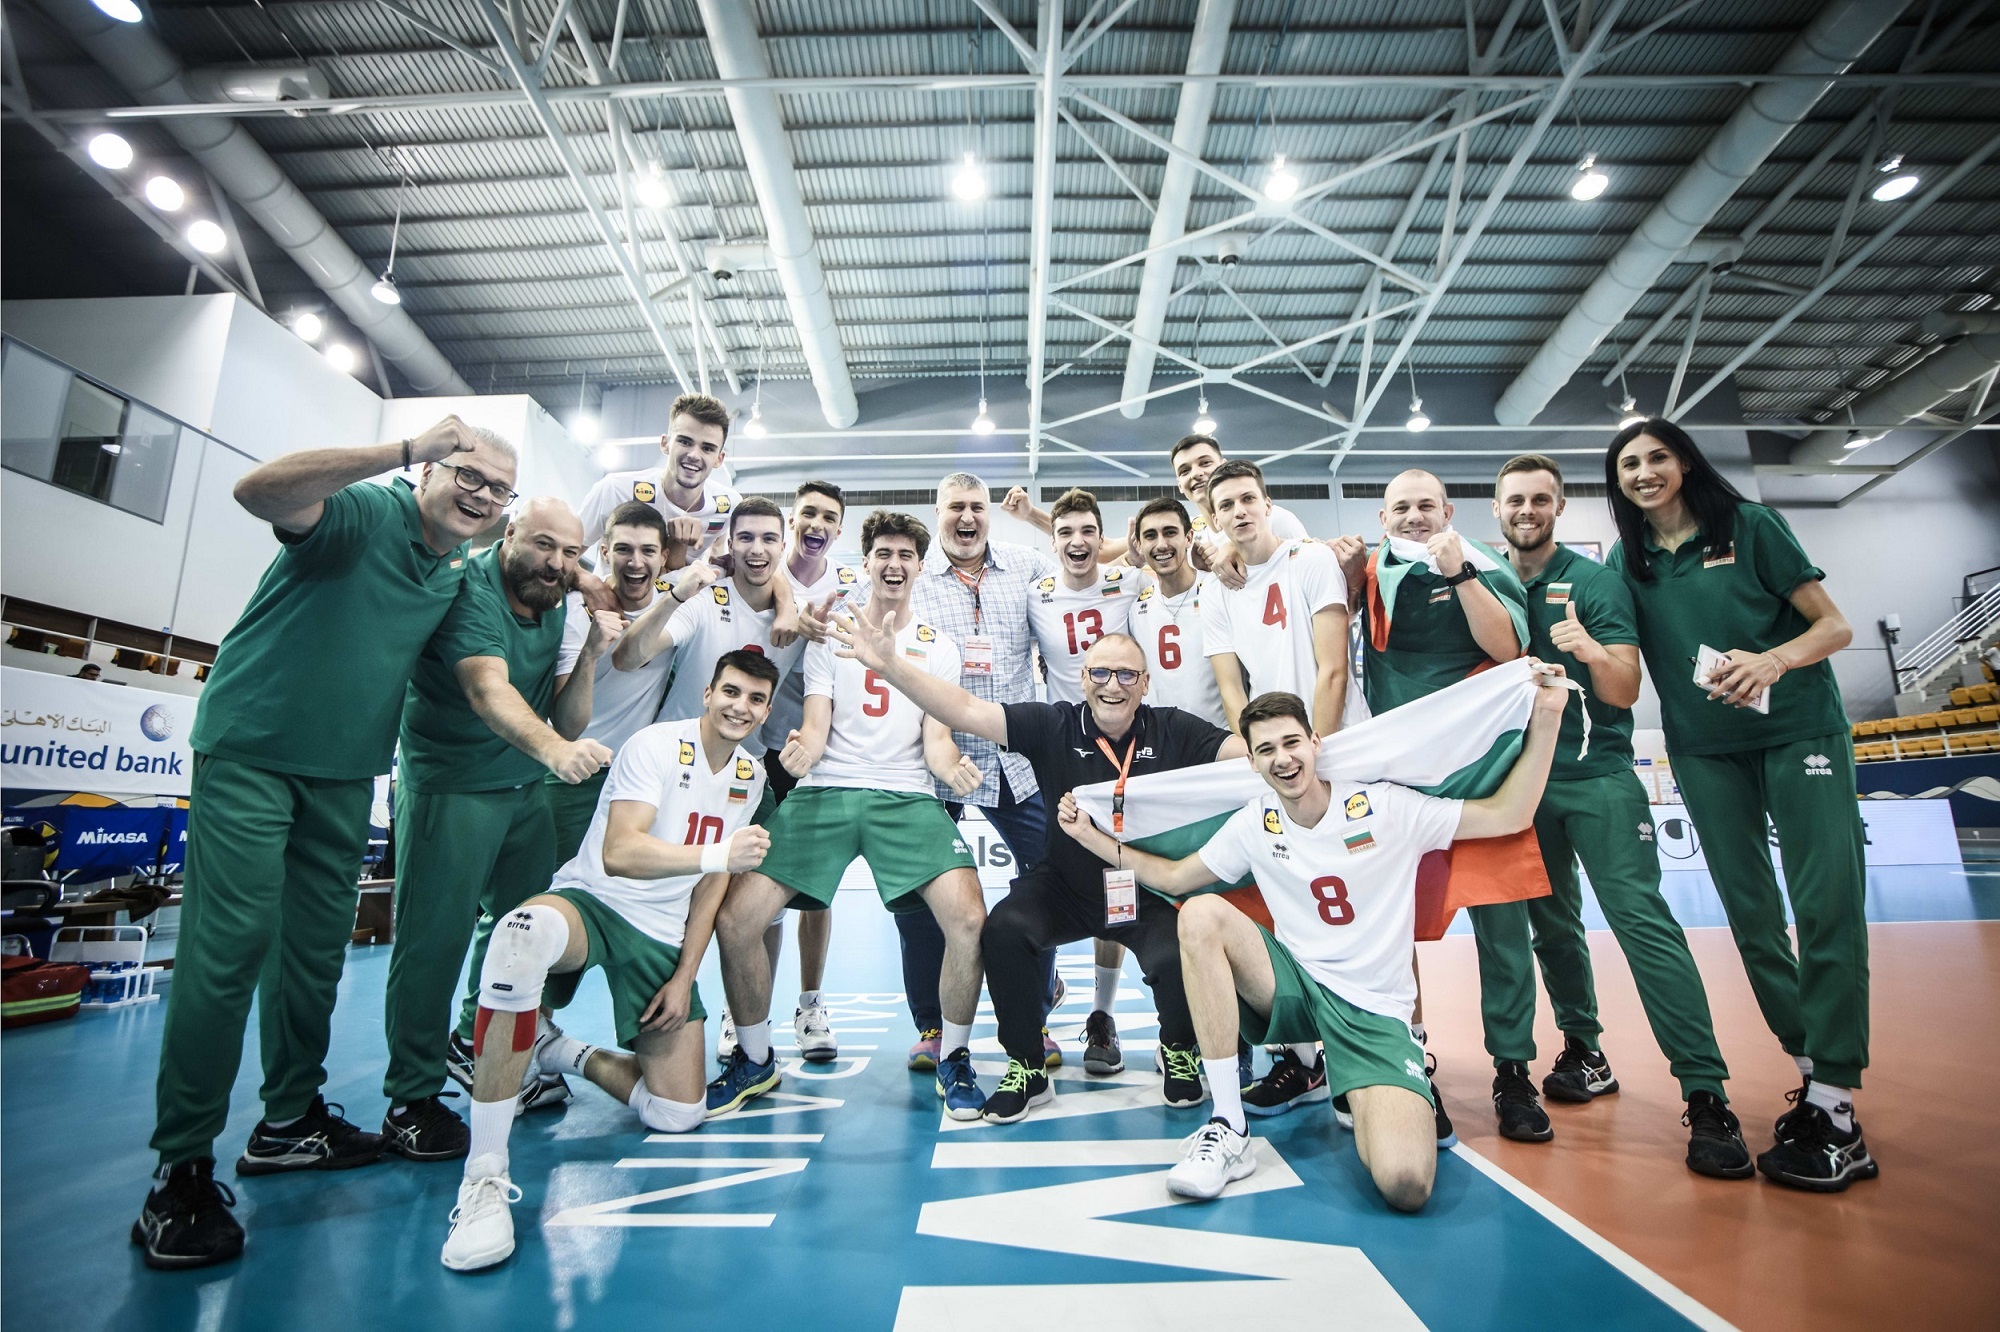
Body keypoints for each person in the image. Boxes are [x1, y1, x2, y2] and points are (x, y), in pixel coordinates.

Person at [134, 416, 505, 1271]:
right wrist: (402, 449)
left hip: (345, 775)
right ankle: (179, 1169)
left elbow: (481, 672)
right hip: (254, 753)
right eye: (467, 475)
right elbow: (258, 489)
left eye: (497, 489)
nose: (480, 496)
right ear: (431, 471)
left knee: (311, 959)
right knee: (226, 955)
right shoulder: (367, 510)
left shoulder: (456, 571)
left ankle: (289, 1122)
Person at [1056, 677, 1568, 1208]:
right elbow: (1177, 878)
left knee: (1405, 1184)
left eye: (1291, 742)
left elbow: (1510, 814)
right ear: (1252, 763)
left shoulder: (1387, 808)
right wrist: (1092, 837)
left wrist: (1548, 715)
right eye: (1266, 750)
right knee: (1202, 914)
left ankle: (1362, 1084)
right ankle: (1230, 1125)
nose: (1283, 759)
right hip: (1295, 986)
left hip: (1372, 1013)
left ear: (1316, 742)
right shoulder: (1256, 821)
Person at [439, 651, 780, 1273]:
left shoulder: (752, 775)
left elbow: (711, 889)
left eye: (756, 700)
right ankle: (483, 1177)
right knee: (518, 936)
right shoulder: (655, 744)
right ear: (708, 692)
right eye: (731, 692)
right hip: (595, 900)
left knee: (678, 1114)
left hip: (660, 935)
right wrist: (718, 855)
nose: (741, 707)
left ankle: (558, 1049)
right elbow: (621, 853)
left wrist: (685, 975)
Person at [839, 606, 1246, 1122]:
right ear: (1083, 678)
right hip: (1066, 885)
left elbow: (1248, 754)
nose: (1112, 685)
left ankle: (1180, 1049)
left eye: (1126, 674)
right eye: (1100, 672)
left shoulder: (1174, 730)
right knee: (1005, 930)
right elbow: (965, 709)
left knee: (1180, 947)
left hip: (1144, 887)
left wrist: (1303, 754)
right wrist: (890, 666)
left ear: (1145, 682)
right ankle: (1028, 1065)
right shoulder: (1053, 724)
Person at [1606, 419, 1873, 1192]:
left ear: (1684, 462)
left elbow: (1835, 624)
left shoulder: (1751, 526)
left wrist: (1773, 659)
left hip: (1799, 732)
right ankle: (1815, 1078)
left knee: (1825, 905)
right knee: (1753, 919)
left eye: (1657, 457)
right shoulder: (1632, 564)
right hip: (1703, 748)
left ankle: (1837, 1110)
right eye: (1629, 464)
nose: (1645, 472)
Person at [1493, 455, 1751, 1178]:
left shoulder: (1597, 580)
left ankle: (1706, 1095)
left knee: (1641, 923)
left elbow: (1626, 686)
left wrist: (1586, 651)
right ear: (1495, 508)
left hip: (1597, 775)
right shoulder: (1486, 579)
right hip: (1521, 785)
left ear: (1560, 506)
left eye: (1541, 499)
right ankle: (1585, 1049)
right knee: (1550, 925)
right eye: (1516, 499)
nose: (1528, 509)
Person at [706, 512, 991, 1120]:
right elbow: (815, 724)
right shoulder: (831, 634)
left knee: (969, 917)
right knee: (736, 920)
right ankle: (754, 1058)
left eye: (905, 555)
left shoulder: (939, 647)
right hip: (828, 791)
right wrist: (803, 751)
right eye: (882, 552)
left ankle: (956, 1056)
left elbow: (935, 739)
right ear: (866, 562)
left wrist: (950, 765)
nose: (893, 564)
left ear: (920, 566)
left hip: (907, 797)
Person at [382, 498, 614, 1161]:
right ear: (509, 534)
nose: (558, 564)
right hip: (452, 788)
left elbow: (569, 721)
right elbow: (488, 690)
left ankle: (482, 1048)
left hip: (521, 791)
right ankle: (411, 1098)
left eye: (571, 554)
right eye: (545, 546)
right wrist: (553, 755)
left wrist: (594, 649)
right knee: (432, 943)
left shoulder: (559, 596)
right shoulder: (469, 587)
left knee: (519, 930)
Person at [807, 474, 1061, 1071]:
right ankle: (930, 1024)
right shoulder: (908, 571)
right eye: (955, 508)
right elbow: (824, 598)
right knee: (918, 903)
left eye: (977, 507)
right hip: (928, 759)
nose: (966, 518)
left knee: (1046, 883)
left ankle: (1033, 1017)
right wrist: (801, 620)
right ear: (938, 514)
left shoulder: (1024, 565)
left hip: (1012, 758)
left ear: (989, 516)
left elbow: (1096, 563)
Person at [1336, 467, 1544, 1148]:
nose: (1415, 516)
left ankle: (1513, 1070)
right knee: (1390, 926)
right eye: (1402, 506)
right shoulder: (1369, 570)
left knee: (1501, 920)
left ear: (1449, 510)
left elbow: (1510, 648)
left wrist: (1460, 574)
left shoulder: (1479, 563)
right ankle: (1409, 1053)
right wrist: (1343, 571)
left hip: (1479, 766)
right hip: (1398, 775)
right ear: (1383, 514)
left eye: (1427, 505)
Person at [743, 481, 854, 1064]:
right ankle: (748, 1008)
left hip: (813, 754)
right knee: (752, 887)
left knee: (812, 888)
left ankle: (810, 1004)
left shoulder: (845, 589)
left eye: (828, 517)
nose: (817, 523)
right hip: (750, 751)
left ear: (838, 529)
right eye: (808, 512)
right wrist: (786, 604)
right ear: (792, 520)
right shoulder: (758, 565)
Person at [545, 503, 675, 866]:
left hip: (640, 779)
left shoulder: (676, 598)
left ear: (664, 557)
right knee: (554, 891)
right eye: (623, 549)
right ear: (604, 552)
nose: (636, 562)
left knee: (625, 895)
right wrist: (590, 652)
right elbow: (568, 727)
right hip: (575, 775)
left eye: (648, 550)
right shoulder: (575, 610)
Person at [1199, 460, 1350, 740]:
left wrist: (1316, 747)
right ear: (1217, 520)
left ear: (1267, 506)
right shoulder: (1213, 589)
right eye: (1226, 505)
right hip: (1274, 747)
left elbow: (1333, 670)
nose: (1240, 511)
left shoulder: (1312, 558)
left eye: (1248, 499)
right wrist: (1257, 751)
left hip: (1337, 735)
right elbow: (1231, 690)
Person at [577, 393, 743, 572]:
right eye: (685, 441)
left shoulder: (729, 505)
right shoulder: (615, 490)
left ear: (719, 458)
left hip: (677, 597)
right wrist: (589, 583)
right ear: (665, 444)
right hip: (612, 596)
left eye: (707, 448)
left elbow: (718, 551)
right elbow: (566, 553)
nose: (694, 455)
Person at [1025, 488, 1135, 705]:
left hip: (1123, 723)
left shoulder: (1132, 581)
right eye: (1066, 532)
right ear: (1053, 542)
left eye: (1087, 531)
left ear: (1101, 540)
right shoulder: (1034, 596)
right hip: (1065, 727)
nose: (1077, 541)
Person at [1129, 497, 1229, 730]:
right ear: (1139, 545)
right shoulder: (1137, 608)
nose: (1161, 544)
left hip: (1217, 739)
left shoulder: (1218, 590)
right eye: (1150, 536)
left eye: (1170, 532)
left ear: (1189, 538)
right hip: (1161, 743)